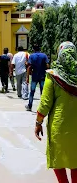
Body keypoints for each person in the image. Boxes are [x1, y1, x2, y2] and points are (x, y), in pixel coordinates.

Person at [35, 41, 77, 183]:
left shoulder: (53, 76)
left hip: (59, 128)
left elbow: (45, 103)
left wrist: (38, 122)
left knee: (58, 160)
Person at [25, 44, 49, 111]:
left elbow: (29, 67)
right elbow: (47, 65)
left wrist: (27, 77)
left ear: (33, 49)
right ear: (39, 49)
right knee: (43, 92)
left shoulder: (32, 56)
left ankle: (30, 106)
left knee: (32, 92)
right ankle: (43, 107)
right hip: (42, 76)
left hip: (34, 76)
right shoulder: (44, 55)